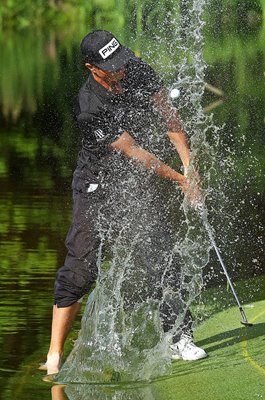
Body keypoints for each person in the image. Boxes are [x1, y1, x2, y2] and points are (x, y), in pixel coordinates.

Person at [41, 30, 207, 377]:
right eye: (111, 67)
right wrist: (179, 180)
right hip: (96, 183)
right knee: (82, 266)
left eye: (121, 62)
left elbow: (169, 117)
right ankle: (55, 354)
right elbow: (133, 152)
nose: (120, 71)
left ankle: (178, 337)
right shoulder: (89, 106)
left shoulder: (136, 69)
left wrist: (190, 169)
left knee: (159, 252)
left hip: (134, 182)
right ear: (92, 68)